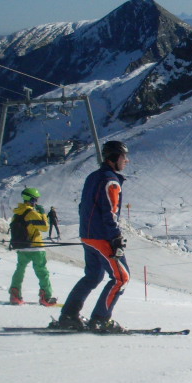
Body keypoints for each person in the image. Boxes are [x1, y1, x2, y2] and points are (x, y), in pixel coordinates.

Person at [56, 141, 131, 333]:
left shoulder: (93, 177)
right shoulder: (111, 181)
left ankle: (69, 316)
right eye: (124, 157)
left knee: (93, 276)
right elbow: (110, 212)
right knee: (121, 278)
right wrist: (115, 238)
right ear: (114, 158)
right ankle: (100, 319)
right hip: (102, 237)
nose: (126, 161)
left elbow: (84, 207)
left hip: (88, 236)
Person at [8, 187, 56, 306]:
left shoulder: (17, 213)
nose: (37, 202)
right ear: (32, 199)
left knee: (20, 269)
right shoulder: (31, 213)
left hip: (21, 247)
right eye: (36, 199)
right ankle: (46, 297)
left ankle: (15, 295)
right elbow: (45, 227)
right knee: (42, 272)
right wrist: (43, 213)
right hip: (35, 247)